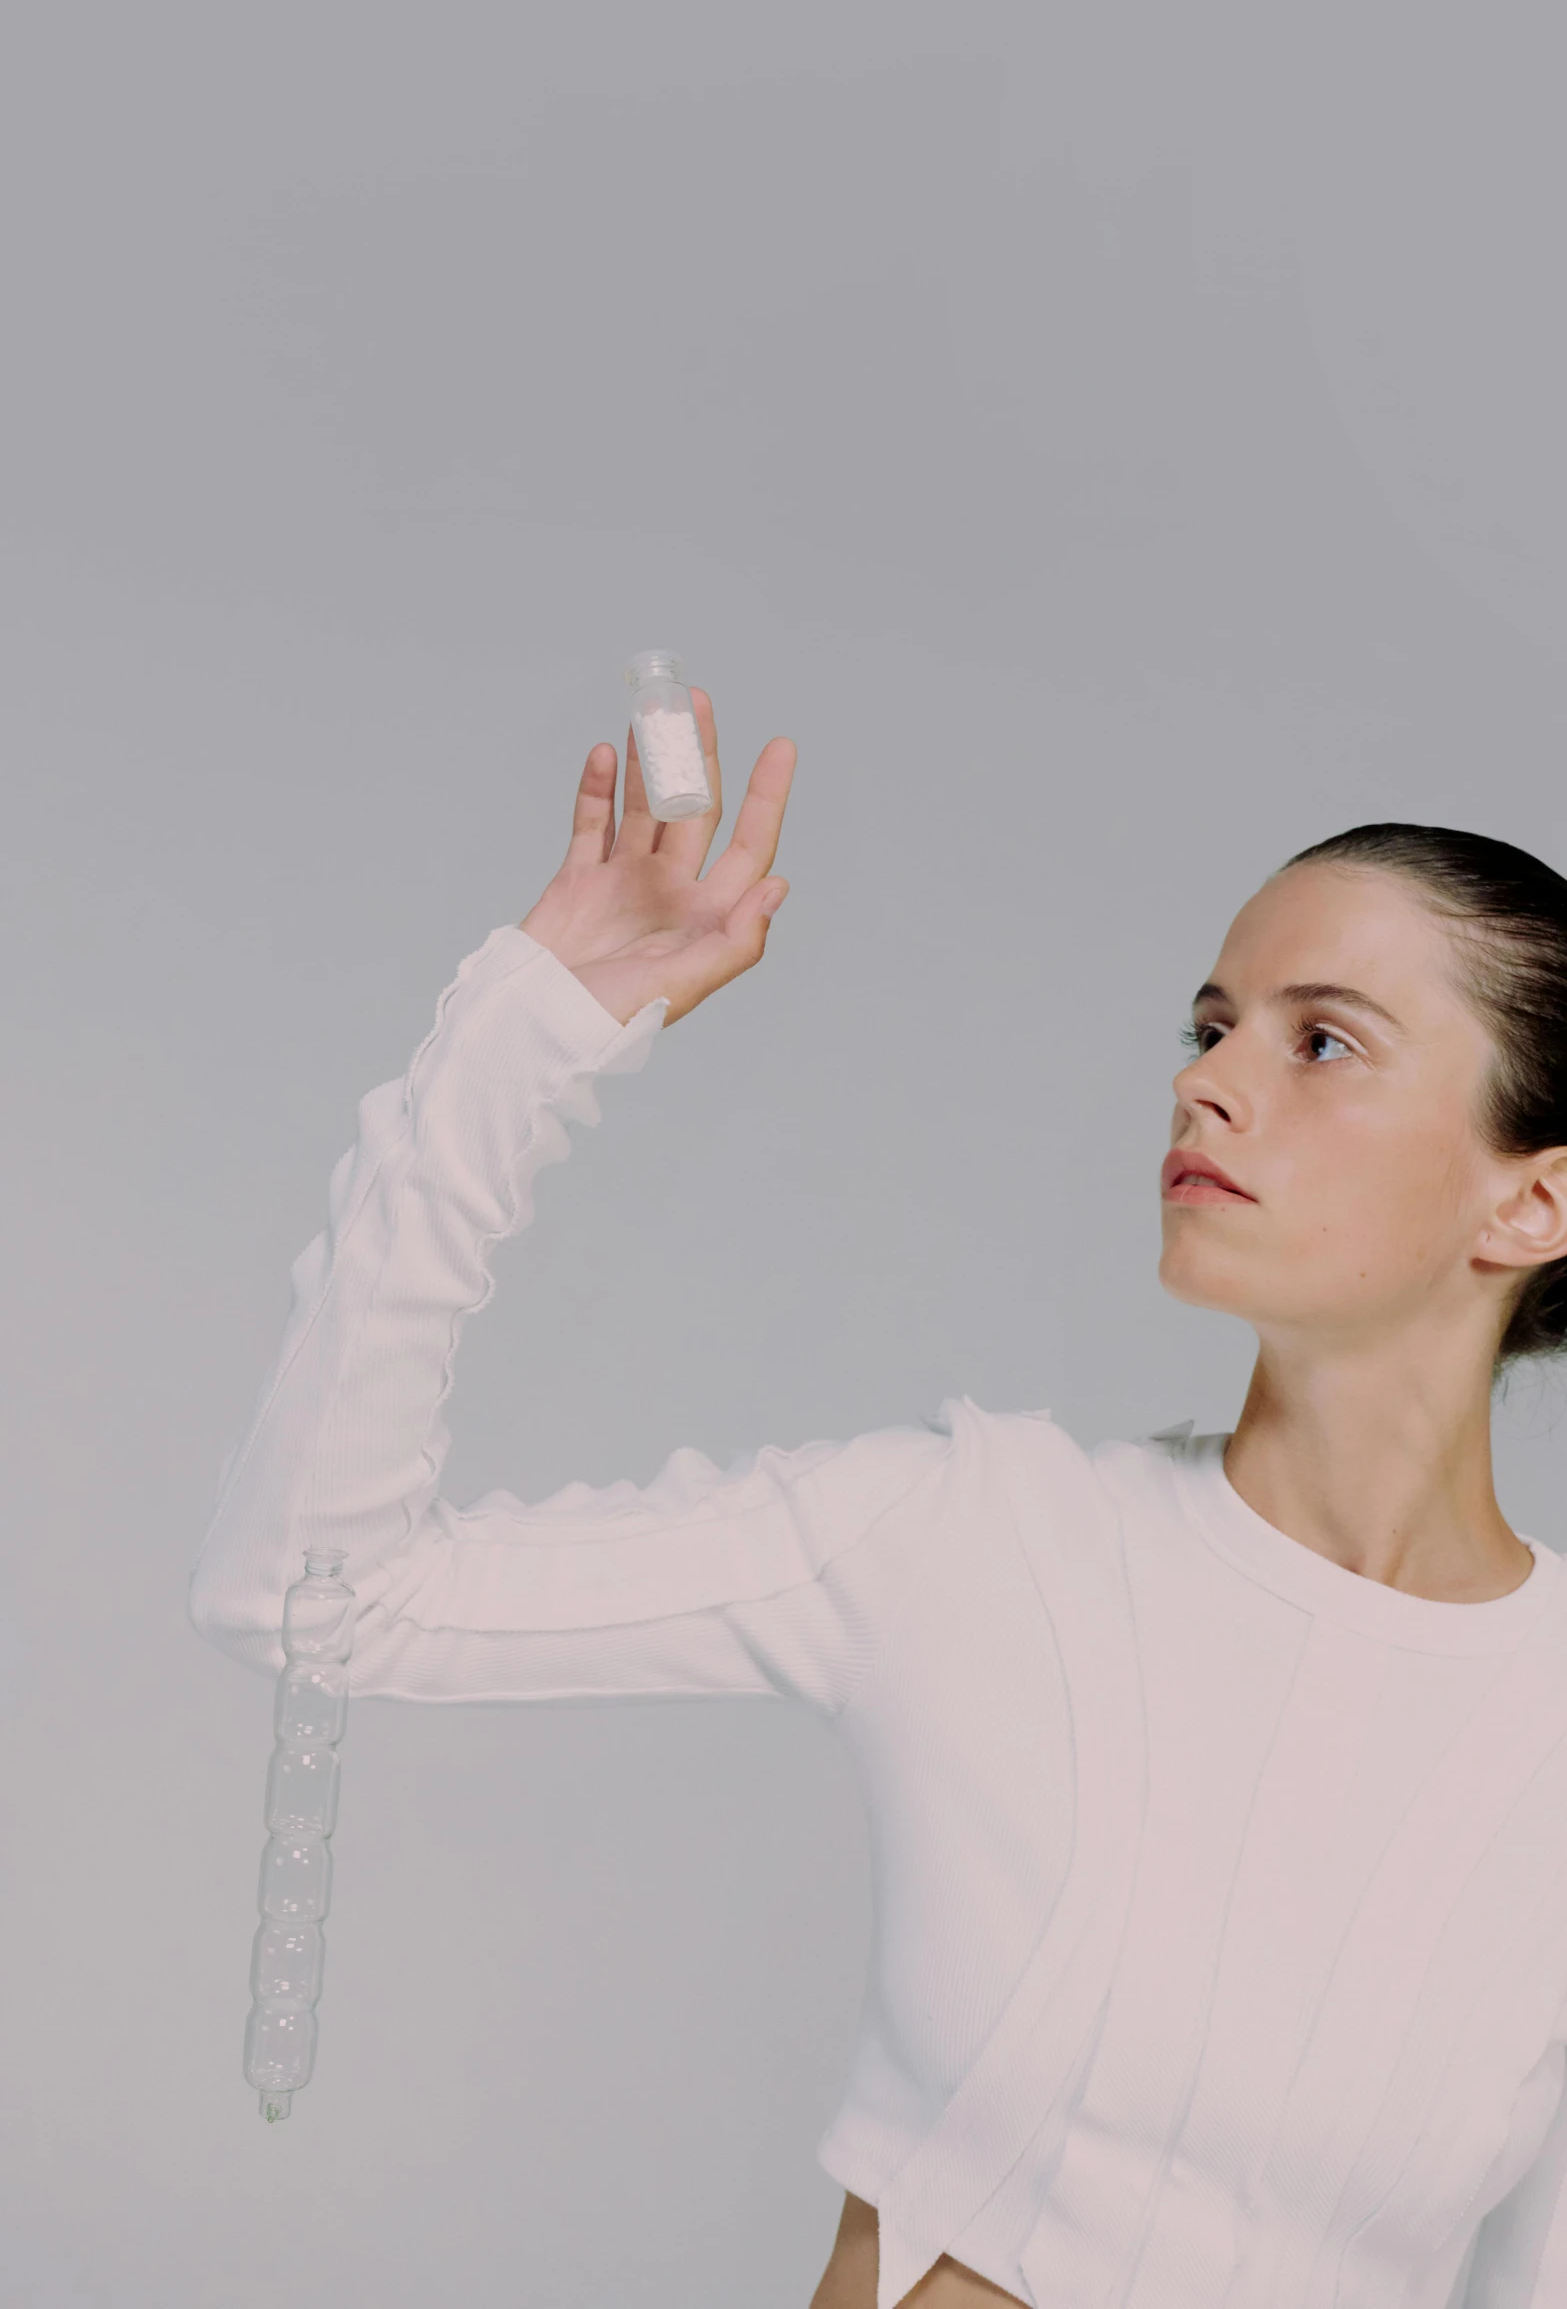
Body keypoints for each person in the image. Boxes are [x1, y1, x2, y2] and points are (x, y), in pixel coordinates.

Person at [188, 692, 1567, 2309]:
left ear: (1530, 1197)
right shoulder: (980, 1538)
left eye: (1318, 1040)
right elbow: (316, 1597)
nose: (1208, 1084)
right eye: (1209, 1028)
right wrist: (522, 1038)